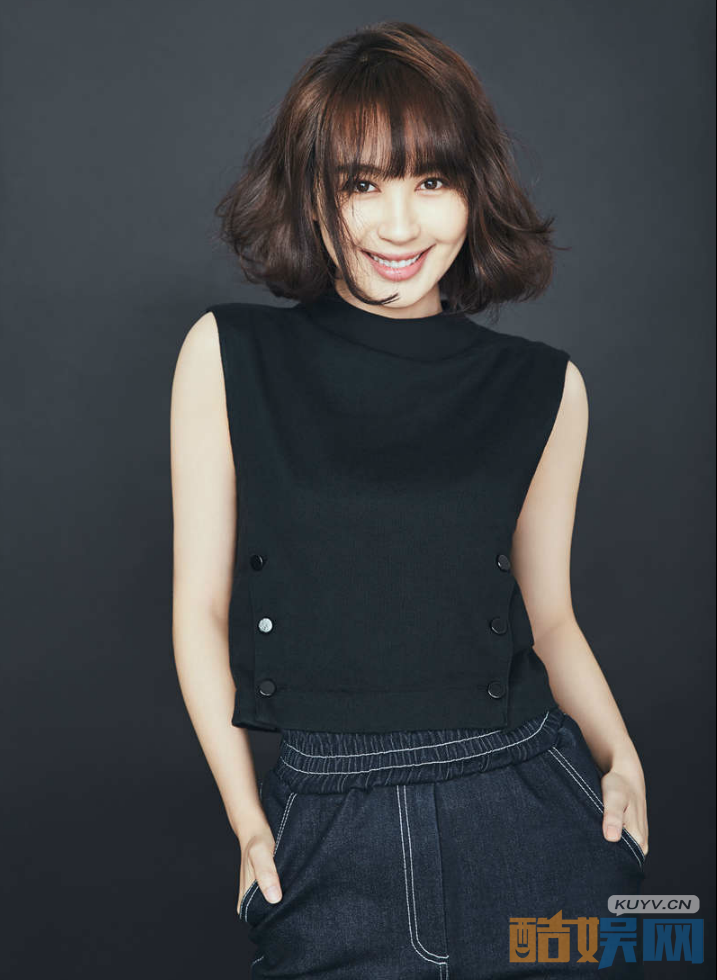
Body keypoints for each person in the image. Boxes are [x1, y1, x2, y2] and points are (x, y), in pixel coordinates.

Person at [170, 20, 649, 979]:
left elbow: (550, 617)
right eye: (361, 184)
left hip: (529, 809)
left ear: (476, 190)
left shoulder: (544, 387)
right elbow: (200, 611)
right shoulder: (227, 355)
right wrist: (248, 818)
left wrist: (622, 755)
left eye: (431, 181)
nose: (399, 226)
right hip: (328, 825)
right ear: (314, 196)